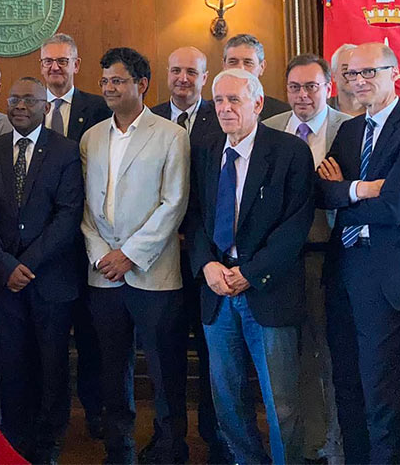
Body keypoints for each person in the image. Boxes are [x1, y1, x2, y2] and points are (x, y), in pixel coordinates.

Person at [317, 42, 400, 465]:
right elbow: (322, 190)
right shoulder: (351, 131)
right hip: (345, 271)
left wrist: (348, 194)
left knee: (381, 392)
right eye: (351, 75)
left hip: (392, 278)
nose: (358, 83)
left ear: (395, 73)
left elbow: (396, 207)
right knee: (348, 386)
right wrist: (362, 189)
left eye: (368, 73)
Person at [187, 69, 313, 464]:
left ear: (257, 104)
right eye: (219, 101)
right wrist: (206, 264)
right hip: (217, 290)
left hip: (267, 290)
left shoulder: (289, 151)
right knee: (226, 399)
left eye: (234, 100)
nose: (224, 108)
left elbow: (296, 225)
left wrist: (251, 273)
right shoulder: (206, 150)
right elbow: (194, 217)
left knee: (282, 404)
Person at [81, 47, 189, 464]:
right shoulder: (92, 137)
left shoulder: (170, 134)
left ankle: (168, 449)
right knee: (113, 369)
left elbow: (173, 204)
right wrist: (100, 255)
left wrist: (128, 254)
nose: (109, 88)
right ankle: (119, 449)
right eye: (105, 80)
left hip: (154, 274)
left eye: (118, 81)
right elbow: (87, 209)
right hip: (103, 273)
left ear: (141, 85)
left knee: (165, 371)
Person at [0, 78, 83, 463]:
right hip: (4, 284)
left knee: (53, 365)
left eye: (30, 100)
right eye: (15, 99)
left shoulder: (66, 151)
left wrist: (28, 263)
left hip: (50, 280)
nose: (20, 105)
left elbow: (68, 215)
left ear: (46, 107)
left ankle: (48, 443)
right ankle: (13, 443)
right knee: (11, 365)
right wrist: (6, 265)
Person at [263, 54, 350, 462]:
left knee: (331, 357)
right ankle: (300, 448)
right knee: (288, 365)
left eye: (311, 87)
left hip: (333, 259)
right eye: (295, 88)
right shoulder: (268, 131)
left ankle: (335, 446)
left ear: (328, 87)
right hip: (280, 264)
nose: (303, 96)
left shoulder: (349, 130)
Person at [149, 47, 226, 462]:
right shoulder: (150, 117)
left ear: (205, 76)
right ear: (166, 73)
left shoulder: (224, 114)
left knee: (214, 353)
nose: (182, 78)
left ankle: (217, 438)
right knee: (165, 354)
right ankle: (169, 440)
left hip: (208, 259)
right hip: (159, 258)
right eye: (176, 70)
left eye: (191, 72)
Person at [37, 32, 111, 439]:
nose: (55, 68)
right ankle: (53, 418)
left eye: (62, 61)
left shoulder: (98, 109)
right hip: (44, 243)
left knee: (91, 335)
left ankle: (96, 413)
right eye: (48, 61)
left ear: (76, 65)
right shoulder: (29, 107)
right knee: (49, 341)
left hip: (89, 239)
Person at [223, 33, 290, 119]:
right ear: (224, 66)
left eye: (248, 63)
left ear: (262, 67)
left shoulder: (281, 113)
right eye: (233, 62)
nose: (240, 69)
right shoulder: (208, 115)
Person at [329, 43, 365, 116]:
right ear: (333, 75)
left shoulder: (379, 110)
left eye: (359, 70)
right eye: (347, 70)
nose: (354, 76)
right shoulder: (321, 109)